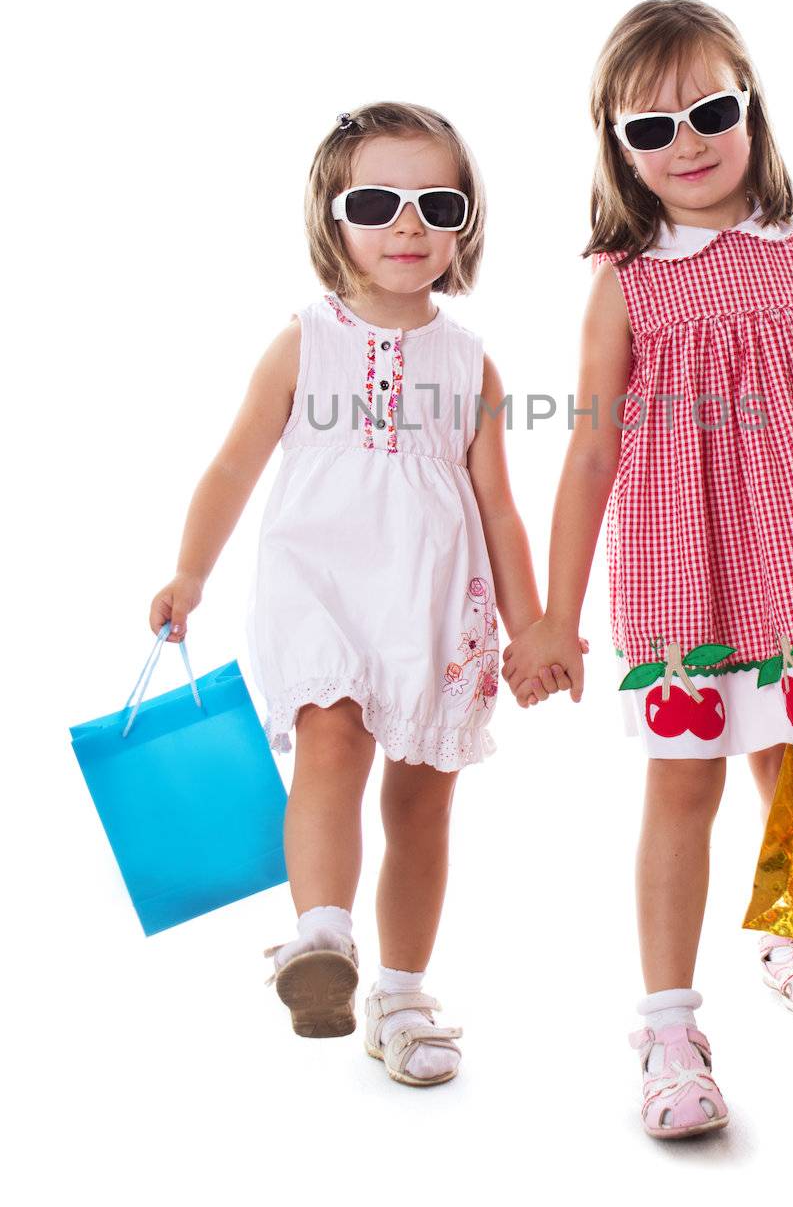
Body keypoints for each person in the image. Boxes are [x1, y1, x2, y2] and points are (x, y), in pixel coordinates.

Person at [502, 0, 793, 1138]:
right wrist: (554, 617)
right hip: (684, 578)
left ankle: (789, 926)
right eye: (649, 128)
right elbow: (589, 449)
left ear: (751, 110)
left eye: (710, 110)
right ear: (615, 150)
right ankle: (667, 1028)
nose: (686, 142)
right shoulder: (627, 282)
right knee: (684, 780)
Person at [150, 101, 578, 1086]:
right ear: (331, 217)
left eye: (438, 202)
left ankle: (400, 991)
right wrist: (191, 570)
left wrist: (533, 627)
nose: (408, 224)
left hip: (432, 598)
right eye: (378, 200)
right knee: (329, 738)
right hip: (321, 583)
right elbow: (231, 467)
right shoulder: (304, 342)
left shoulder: (470, 364)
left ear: (465, 222)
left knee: (421, 804)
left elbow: (500, 510)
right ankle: (322, 941)